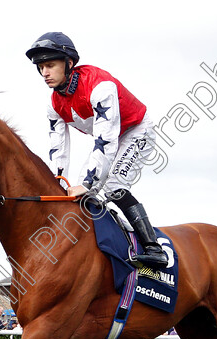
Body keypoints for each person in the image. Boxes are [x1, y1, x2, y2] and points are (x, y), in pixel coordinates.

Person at [26, 31, 168, 268]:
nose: (44, 73)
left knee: (112, 184)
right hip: (110, 138)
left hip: (136, 131)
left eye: (50, 65)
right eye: (41, 67)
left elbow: (106, 141)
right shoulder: (54, 104)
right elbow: (58, 151)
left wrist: (88, 185)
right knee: (74, 192)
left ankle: (154, 248)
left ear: (69, 63)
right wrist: (56, 185)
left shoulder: (100, 86)